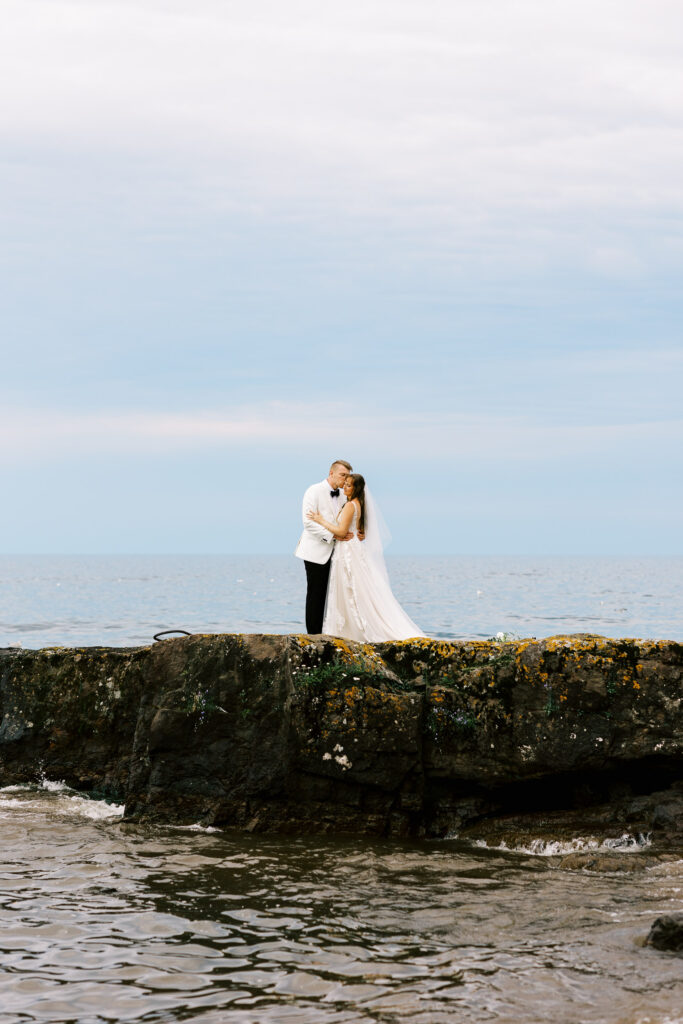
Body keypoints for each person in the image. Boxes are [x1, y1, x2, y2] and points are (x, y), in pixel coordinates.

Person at [307, 473, 426, 642]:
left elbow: (341, 532)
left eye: (349, 485)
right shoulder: (356, 504)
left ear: (356, 489)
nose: (344, 487)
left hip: (347, 550)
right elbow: (358, 529)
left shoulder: (350, 506)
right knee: (354, 587)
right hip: (351, 547)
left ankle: (355, 628)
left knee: (350, 587)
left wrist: (320, 520)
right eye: (345, 484)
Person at [295, 460, 353, 634]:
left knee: (335, 594)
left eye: (347, 477)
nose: (345, 480)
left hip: (339, 552)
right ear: (331, 473)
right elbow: (308, 522)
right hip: (316, 551)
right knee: (316, 594)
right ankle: (313, 635)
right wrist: (334, 535)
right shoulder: (313, 491)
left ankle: (331, 632)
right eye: (343, 475)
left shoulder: (345, 496)